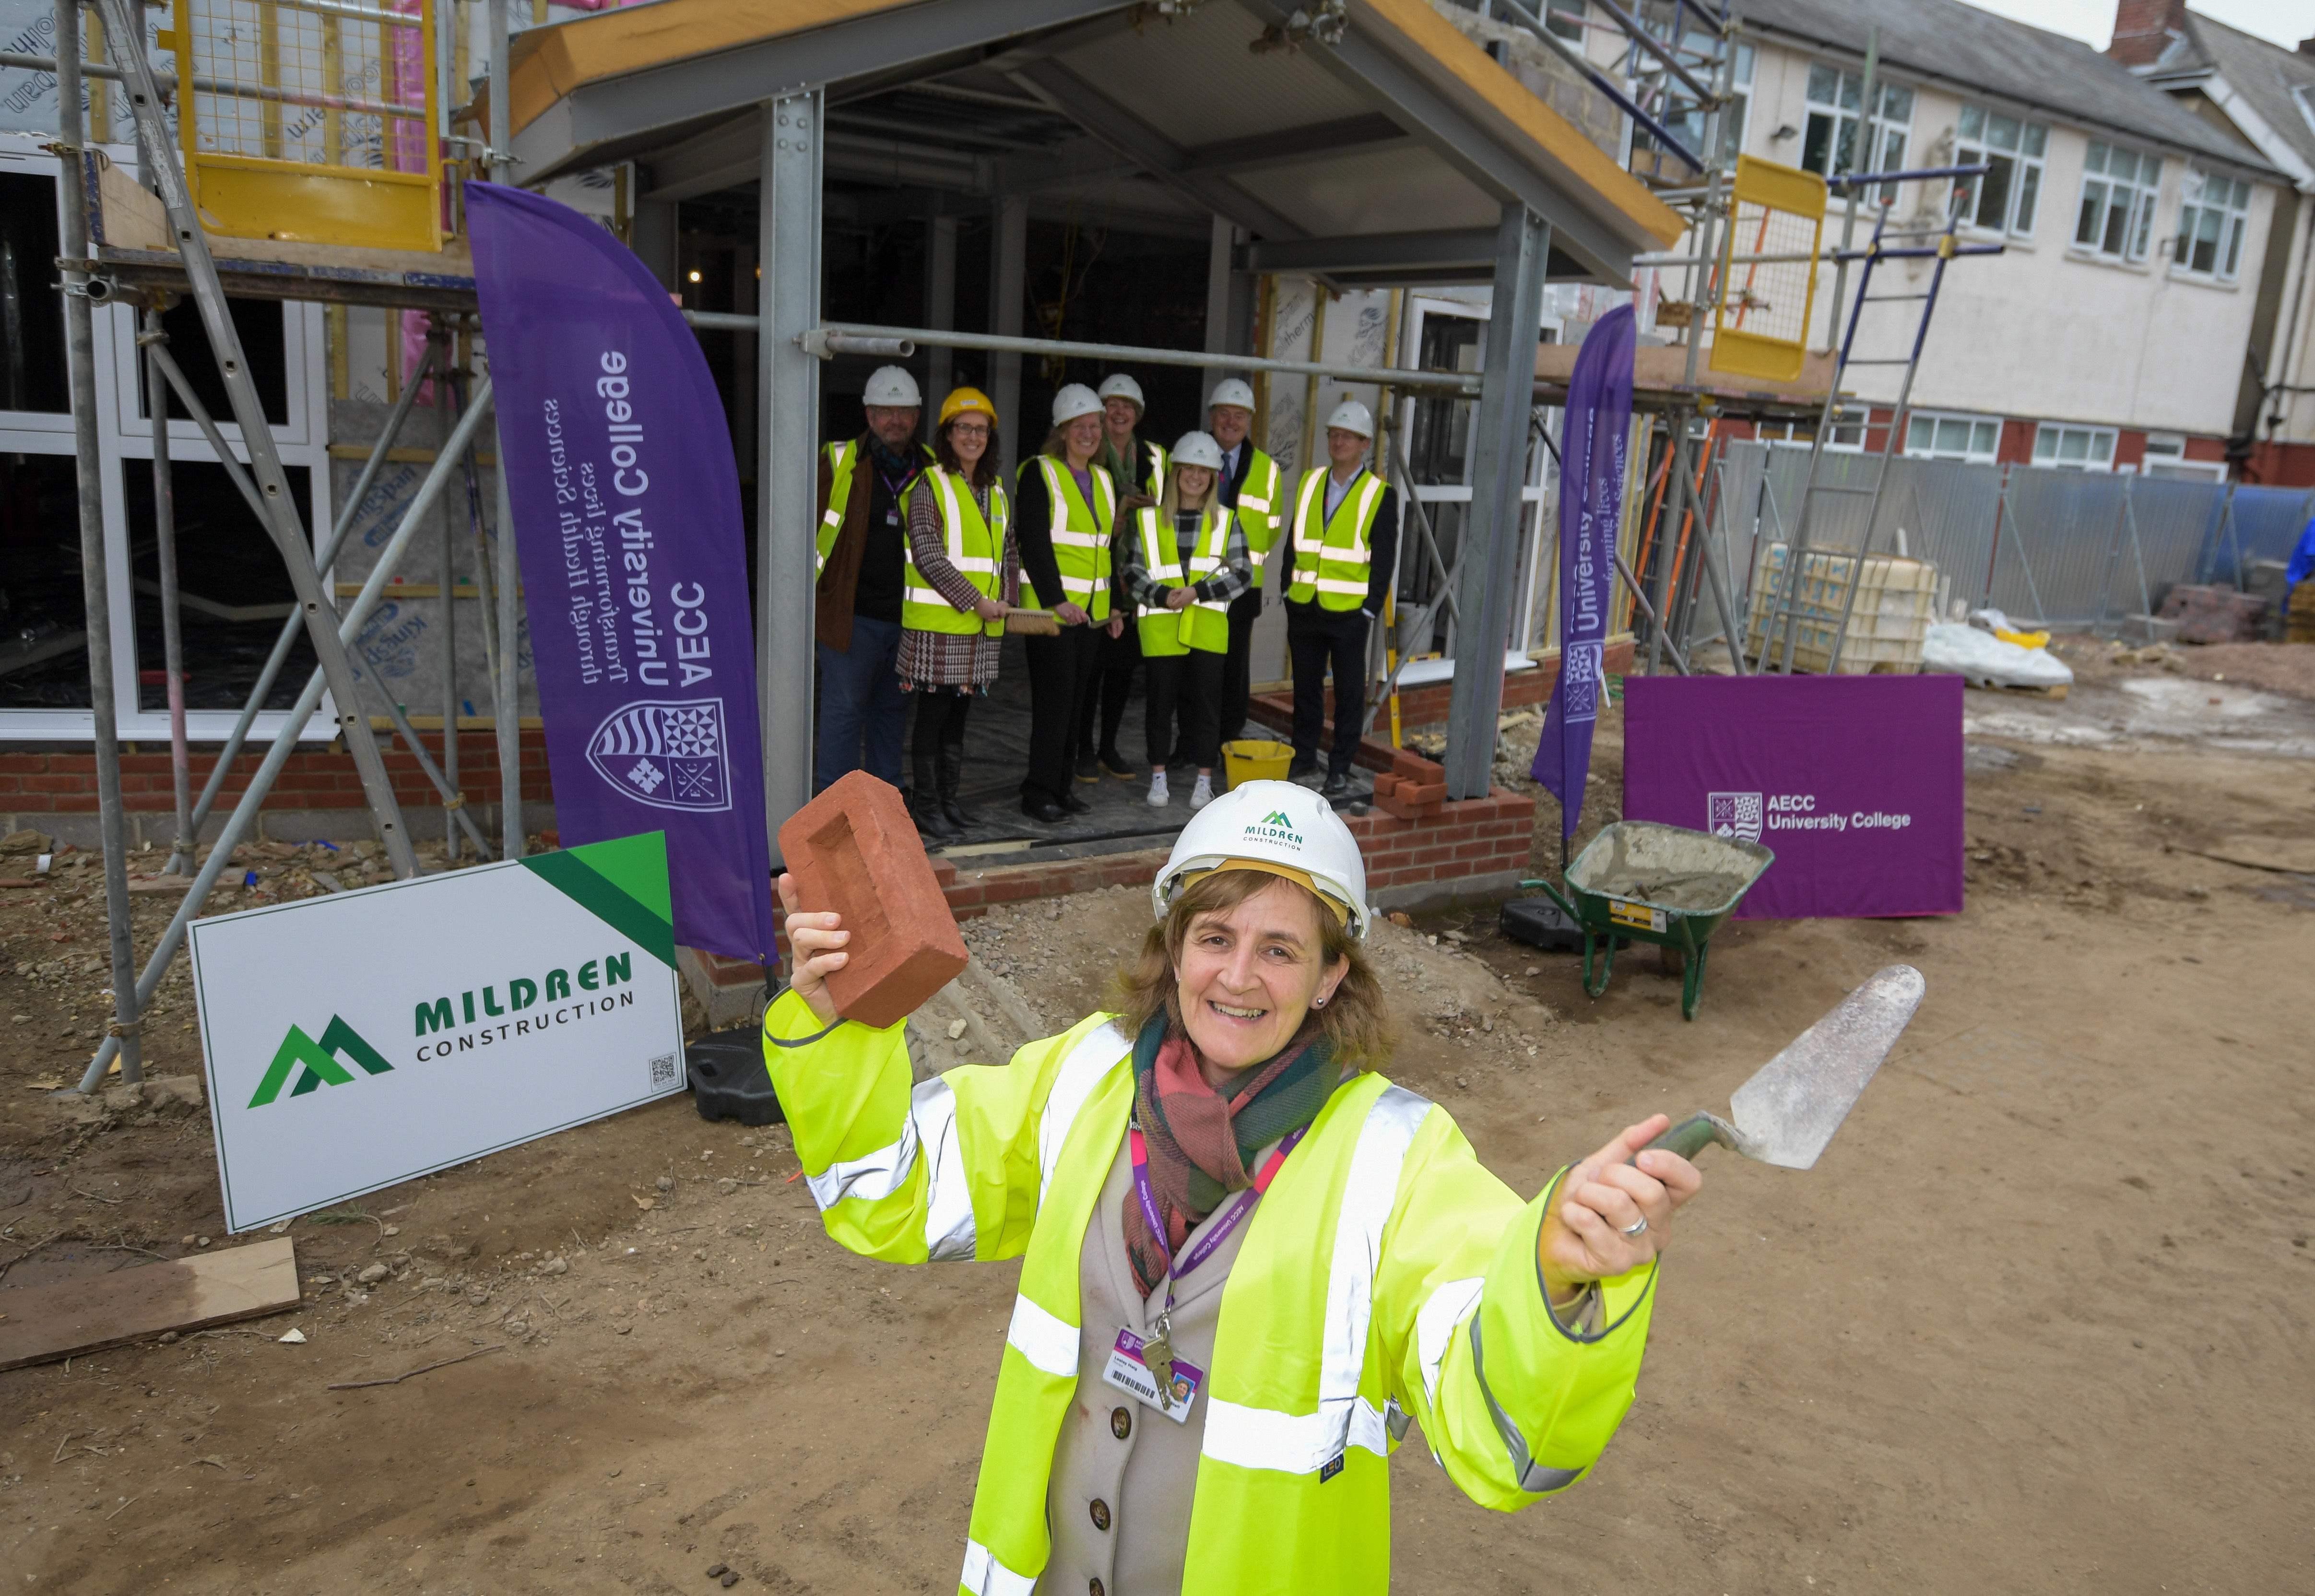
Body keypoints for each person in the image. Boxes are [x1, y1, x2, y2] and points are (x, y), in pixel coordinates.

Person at [767, 780, 1701, 1596]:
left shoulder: (1397, 1157)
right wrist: (831, 1020)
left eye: (1281, 950)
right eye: (1214, 936)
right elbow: (890, 1187)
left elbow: (1498, 1424)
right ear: (1174, 947)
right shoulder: (1083, 1076)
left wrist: (1553, 1280)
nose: (1238, 976)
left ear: (1334, 973)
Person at [899, 387, 1016, 842]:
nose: (973, 436)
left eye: (981, 429)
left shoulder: (996, 490)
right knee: (933, 717)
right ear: (947, 435)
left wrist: (1006, 599)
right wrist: (978, 602)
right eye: (963, 428)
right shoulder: (929, 483)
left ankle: (949, 801)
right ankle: (927, 807)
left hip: (982, 627)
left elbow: (1009, 552)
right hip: (940, 627)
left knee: (958, 720)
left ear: (990, 436)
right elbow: (928, 554)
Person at [815, 366, 935, 794]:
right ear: (869, 416)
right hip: (852, 618)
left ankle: (888, 815)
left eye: (904, 412)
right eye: (886, 411)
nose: (895, 421)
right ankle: (835, 810)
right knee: (844, 716)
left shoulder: (934, 470)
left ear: (917, 416)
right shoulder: (838, 460)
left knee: (891, 717)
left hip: (908, 620)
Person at [1015, 384, 1125, 823]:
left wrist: (1115, 607)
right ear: (1062, 431)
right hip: (1053, 614)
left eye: (1094, 425)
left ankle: (1061, 788)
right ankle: (1038, 790)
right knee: (1054, 705)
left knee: (1077, 706)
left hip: (1092, 615)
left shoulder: (1102, 478)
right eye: (1079, 426)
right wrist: (1057, 601)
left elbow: (1106, 549)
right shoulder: (1038, 472)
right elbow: (1035, 544)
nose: (1089, 433)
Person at [1124, 431, 1249, 813]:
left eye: (1204, 471)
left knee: (1208, 708)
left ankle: (1204, 781)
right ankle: (1158, 776)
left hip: (1207, 629)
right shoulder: (1148, 520)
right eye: (1188, 469)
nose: (1195, 476)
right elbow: (1131, 570)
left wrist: (1197, 593)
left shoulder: (1226, 520)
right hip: (1162, 629)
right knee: (1159, 706)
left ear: (1213, 478)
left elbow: (1243, 575)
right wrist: (1162, 596)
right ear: (1176, 472)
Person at [1283, 400, 1398, 798]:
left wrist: (1370, 608)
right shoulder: (1311, 482)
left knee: (1349, 692)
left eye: (1347, 436)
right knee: (1306, 688)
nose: (1338, 442)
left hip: (1349, 612)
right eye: (1334, 435)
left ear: (1365, 444)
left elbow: (1384, 560)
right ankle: (1304, 756)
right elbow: (1295, 540)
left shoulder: (1380, 494)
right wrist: (1288, 588)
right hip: (1304, 604)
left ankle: (1340, 766)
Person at [1077, 373, 1169, 786]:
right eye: (1111, 405)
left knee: (1121, 671)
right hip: (1097, 575)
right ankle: (1080, 748)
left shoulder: (1154, 458)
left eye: (1126, 406)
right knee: (1089, 671)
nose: (1119, 412)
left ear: (1138, 414)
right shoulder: (1087, 452)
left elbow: (1172, 512)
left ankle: (1107, 746)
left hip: (1138, 578)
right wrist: (1120, 510)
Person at [1206, 379, 1285, 757]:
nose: (1231, 421)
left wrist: (1240, 561)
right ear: (1212, 416)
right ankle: (1193, 741)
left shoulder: (1268, 469)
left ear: (1250, 420)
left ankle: (1228, 739)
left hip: (1242, 586)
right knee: (1197, 667)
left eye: (1239, 415)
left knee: (1234, 669)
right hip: (1195, 584)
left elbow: (1271, 529)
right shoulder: (1190, 456)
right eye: (1224, 413)